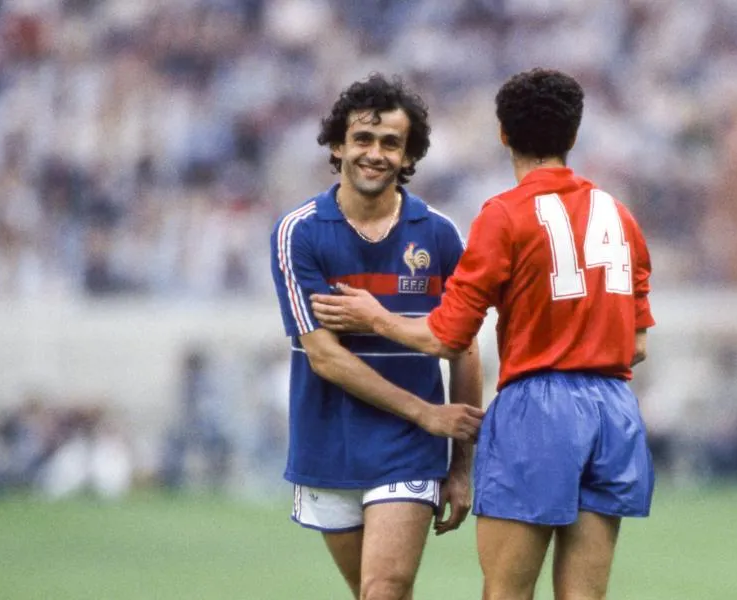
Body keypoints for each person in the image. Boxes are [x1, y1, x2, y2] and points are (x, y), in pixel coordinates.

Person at [312, 68, 656, 600]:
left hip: (538, 406)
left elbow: (449, 338)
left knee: (507, 592)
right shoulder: (619, 215)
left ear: (503, 133)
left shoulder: (505, 214)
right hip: (614, 412)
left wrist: (373, 317)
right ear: (573, 134)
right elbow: (636, 345)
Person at [269, 73, 484, 600]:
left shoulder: (438, 235)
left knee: (384, 588)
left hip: (408, 447)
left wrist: (459, 464)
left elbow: (464, 347)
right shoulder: (300, 232)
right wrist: (426, 412)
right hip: (328, 446)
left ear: (409, 157)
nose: (375, 153)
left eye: (392, 143)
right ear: (338, 146)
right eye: (363, 139)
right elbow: (325, 358)